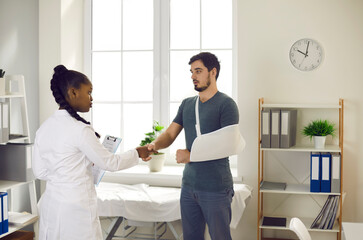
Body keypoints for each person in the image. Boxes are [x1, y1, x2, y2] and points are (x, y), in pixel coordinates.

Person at [32, 65, 155, 240]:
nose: (92, 98)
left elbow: (40, 172)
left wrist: (73, 166)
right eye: (89, 92)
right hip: (76, 207)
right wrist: (138, 152)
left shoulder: (44, 128)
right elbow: (111, 163)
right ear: (73, 92)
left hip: (51, 204)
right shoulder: (80, 129)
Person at [146, 52, 240, 240]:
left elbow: (228, 145)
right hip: (189, 187)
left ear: (213, 72)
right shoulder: (187, 104)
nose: (193, 76)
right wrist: (154, 145)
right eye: (191, 72)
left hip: (216, 187)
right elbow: (170, 133)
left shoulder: (227, 105)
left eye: (198, 71)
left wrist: (191, 155)